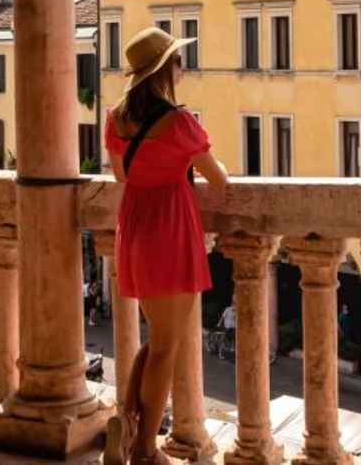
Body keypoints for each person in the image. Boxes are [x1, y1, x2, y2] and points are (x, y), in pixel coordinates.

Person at [103, 27, 230, 465]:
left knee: (158, 338)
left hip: (134, 230)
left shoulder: (116, 118)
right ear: (164, 71)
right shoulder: (180, 122)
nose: (182, 67)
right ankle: (143, 450)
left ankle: (126, 421)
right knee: (165, 347)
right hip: (170, 233)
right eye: (177, 61)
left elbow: (122, 177)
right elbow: (219, 182)